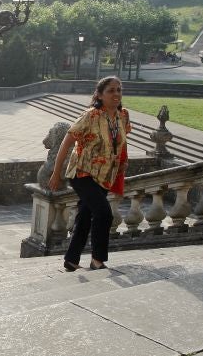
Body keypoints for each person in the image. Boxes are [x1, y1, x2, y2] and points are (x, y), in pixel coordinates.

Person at [49, 76, 130, 272]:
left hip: (105, 177)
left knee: (85, 215)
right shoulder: (90, 116)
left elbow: (119, 144)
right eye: (111, 90)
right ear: (100, 95)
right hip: (83, 173)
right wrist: (56, 172)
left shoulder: (122, 116)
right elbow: (66, 143)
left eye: (118, 90)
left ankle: (71, 259)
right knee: (103, 213)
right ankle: (98, 259)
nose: (116, 94)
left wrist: (121, 168)